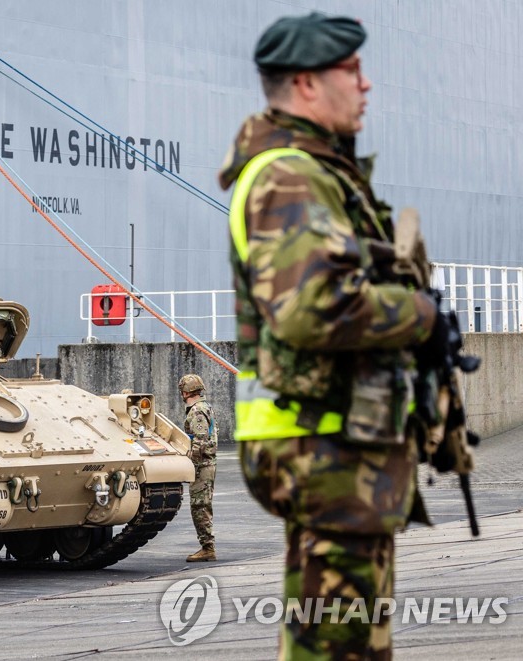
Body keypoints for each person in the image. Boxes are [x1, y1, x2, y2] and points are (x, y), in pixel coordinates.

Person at [219, 12, 439, 660]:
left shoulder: (311, 170)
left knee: (347, 641)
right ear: (309, 84)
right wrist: (420, 314)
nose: (366, 85)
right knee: (338, 646)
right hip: (320, 444)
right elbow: (311, 308)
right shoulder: (291, 176)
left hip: (335, 445)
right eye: (353, 70)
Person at [179, 374, 216, 562]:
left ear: (186, 392)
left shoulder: (196, 411)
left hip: (202, 465)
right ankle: (207, 546)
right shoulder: (205, 407)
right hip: (206, 463)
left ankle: (207, 548)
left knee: (200, 507)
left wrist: (189, 464)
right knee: (202, 505)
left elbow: (200, 441)